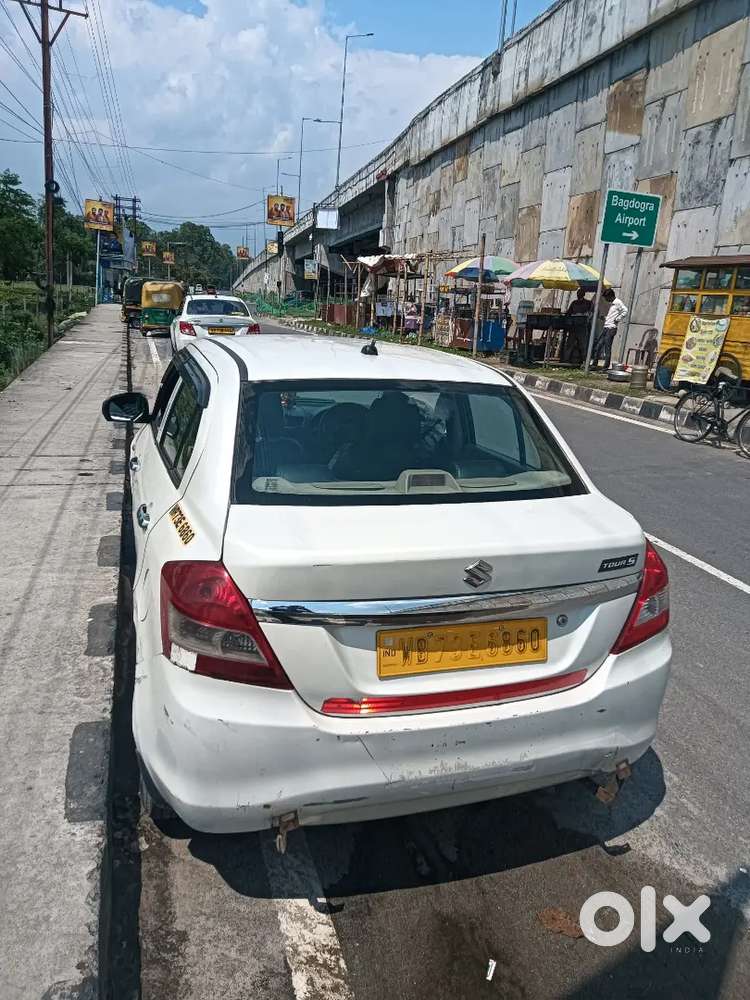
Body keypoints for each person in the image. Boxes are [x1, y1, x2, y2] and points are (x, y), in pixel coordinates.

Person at [592, 287, 628, 370]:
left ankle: (605, 367)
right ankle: (594, 364)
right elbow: (612, 315)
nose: (606, 300)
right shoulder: (612, 304)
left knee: (607, 348)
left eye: (606, 298)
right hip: (606, 327)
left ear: (610, 296)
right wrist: (605, 318)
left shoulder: (618, 302)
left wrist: (617, 319)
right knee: (598, 346)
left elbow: (625, 310)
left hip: (611, 328)